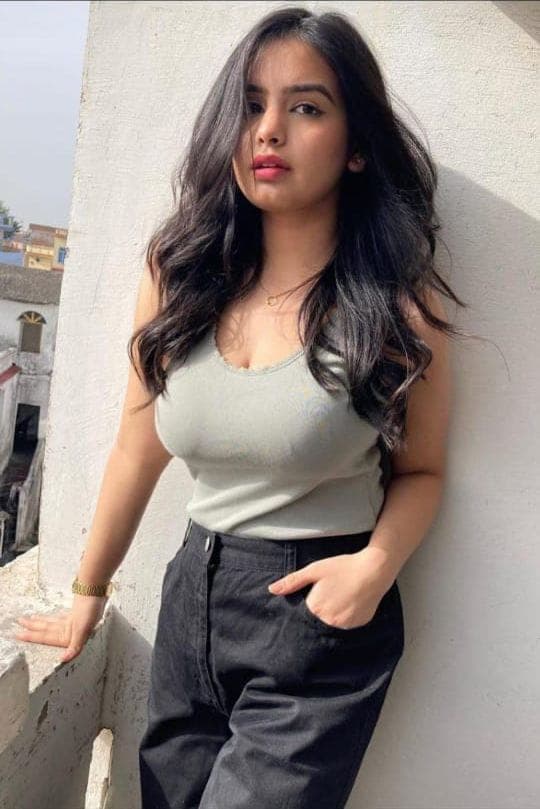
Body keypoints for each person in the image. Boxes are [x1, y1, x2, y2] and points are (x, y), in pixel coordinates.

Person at [14, 6, 466, 808]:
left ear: (356, 145)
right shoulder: (179, 273)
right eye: (251, 104)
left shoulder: (395, 307)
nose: (268, 130)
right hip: (192, 593)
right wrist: (88, 588)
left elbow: (423, 470)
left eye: (306, 107)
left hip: (315, 618)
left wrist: (374, 566)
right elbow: (137, 446)